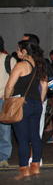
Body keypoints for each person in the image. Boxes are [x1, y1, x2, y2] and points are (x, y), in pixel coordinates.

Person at [4, 39, 48, 179]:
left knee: (22, 138)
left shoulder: (21, 65)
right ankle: (35, 167)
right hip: (36, 104)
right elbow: (45, 85)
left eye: (18, 50)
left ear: (24, 51)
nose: (17, 52)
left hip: (22, 104)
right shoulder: (40, 65)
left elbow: (10, 86)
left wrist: (7, 99)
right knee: (35, 136)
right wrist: (40, 100)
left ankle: (24, 169)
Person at [0, 35, 16, 168]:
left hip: (3, 100)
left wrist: (8, 96)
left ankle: (4, 157)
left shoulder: (9, 60)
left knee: (5, 130)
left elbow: (16, 80)